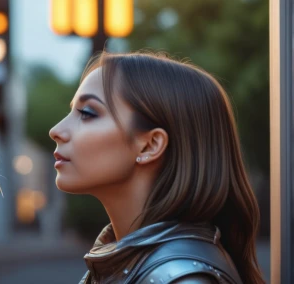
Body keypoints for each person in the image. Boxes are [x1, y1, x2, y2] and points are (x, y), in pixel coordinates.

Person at [49, 51, 264, 284]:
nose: (56, 130)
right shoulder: (121, 263)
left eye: (87, 113)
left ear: (150, 145)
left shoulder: (182, 279)